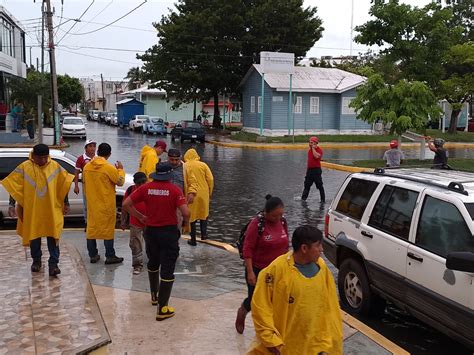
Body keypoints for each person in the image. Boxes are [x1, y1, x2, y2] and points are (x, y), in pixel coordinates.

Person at [249, 225, 343, 355]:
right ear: (304, 248)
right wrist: (270, 340)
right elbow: (261, 308)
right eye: (318, 246)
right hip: (284, 346)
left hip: (314, 346)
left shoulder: (322, 269)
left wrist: (330, 341)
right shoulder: (276, 271)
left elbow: (330, 307)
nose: (321, 249)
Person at [122, 162, 190, 321]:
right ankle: (163, 308)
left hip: (150, 232)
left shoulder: (145, 188)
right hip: (168, 233)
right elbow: (186, 212)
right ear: (169, 175)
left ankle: (154, 296)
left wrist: (140, 217)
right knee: (168, 267)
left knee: (153, 263)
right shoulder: (175, 190)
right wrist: (186, 223)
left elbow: (125, 204)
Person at [1, 144, 73, 277]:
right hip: (32, 210)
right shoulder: (24, 167)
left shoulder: (55, 167)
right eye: (40, 158)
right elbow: (15, 187)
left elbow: (63, 185)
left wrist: (66, 203)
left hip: (51, 209)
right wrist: (11, 205)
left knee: (53, 236)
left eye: (46, 157)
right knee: (34, 237)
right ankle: (36, 261)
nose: (44, 161)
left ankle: (53, 264)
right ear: (34, 156)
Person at [235, 195, 289, 334]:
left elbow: (285, 246)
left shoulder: (282, 222)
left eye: (280, 215)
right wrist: (250, 271)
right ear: (266, 212)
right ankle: (243, 311)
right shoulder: (257, 224)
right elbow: (248, 248)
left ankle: (269, 329)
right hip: (258, 269)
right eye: (274, 216)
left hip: (277, 270)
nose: (277, 219)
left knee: (275, 300)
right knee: (256, 300)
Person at [83, 143, 125, 264]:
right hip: (106, 204)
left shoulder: (87, 167)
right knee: (107, 231)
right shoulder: (109, 168)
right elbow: (120, 182)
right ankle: (110, 255)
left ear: (97, 152)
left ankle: (93, 255)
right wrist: (120, 169)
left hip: (92, 204)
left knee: (91, 230)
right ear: (109, 154)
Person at [183, 148, 214, 246]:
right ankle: (204, 235)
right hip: (204, 193)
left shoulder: (185, 166)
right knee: (203, 214)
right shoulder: (203, 165)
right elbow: (210, 179)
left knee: (192, 216)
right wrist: (210, 192)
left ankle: (193, 239)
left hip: (191, 193)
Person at [121, 172, 148, 275]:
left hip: (150, 222)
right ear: (134, 183)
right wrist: (123, 221)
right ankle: (137, 265)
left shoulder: (150, 190)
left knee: (152, 243)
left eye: (143, 182)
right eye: (138, 183)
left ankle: (153, 262)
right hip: (135, 222)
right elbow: (124, 207)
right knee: (135, 244)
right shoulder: (130, 191)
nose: (141, 185)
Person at [167, 148, 198, 232]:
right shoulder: (162, 166)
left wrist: (192, 192)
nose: (174, 162)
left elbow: (193, 182)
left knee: (177, 222)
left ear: (180, 158)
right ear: (167, 158)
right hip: (164, 200)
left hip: (179, 201)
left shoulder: (186, 168)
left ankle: (175, 239)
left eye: (176, 160)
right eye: (171, 160)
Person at [74, 139, 97, 227]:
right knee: (86, 205)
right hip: (86, 185)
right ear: (85, 148)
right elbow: (76, 173)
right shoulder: (81, 158)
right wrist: (76, 186)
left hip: (96, 185)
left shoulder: (98, 158)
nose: (92, 148)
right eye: (90, 146)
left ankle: (95, 222)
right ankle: (87, 222)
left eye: (94, 146)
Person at [301, 136, 325, 203]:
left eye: (311, 143)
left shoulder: (319, 150)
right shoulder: (309, 150)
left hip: (316, 170)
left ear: (315, 143)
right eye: (309, 142)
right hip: (310, 171)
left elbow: (316, 156)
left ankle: (323, 200)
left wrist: (313, 149)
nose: (310, 144)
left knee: (320, 186)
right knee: (307, 185)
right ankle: (303, 199)